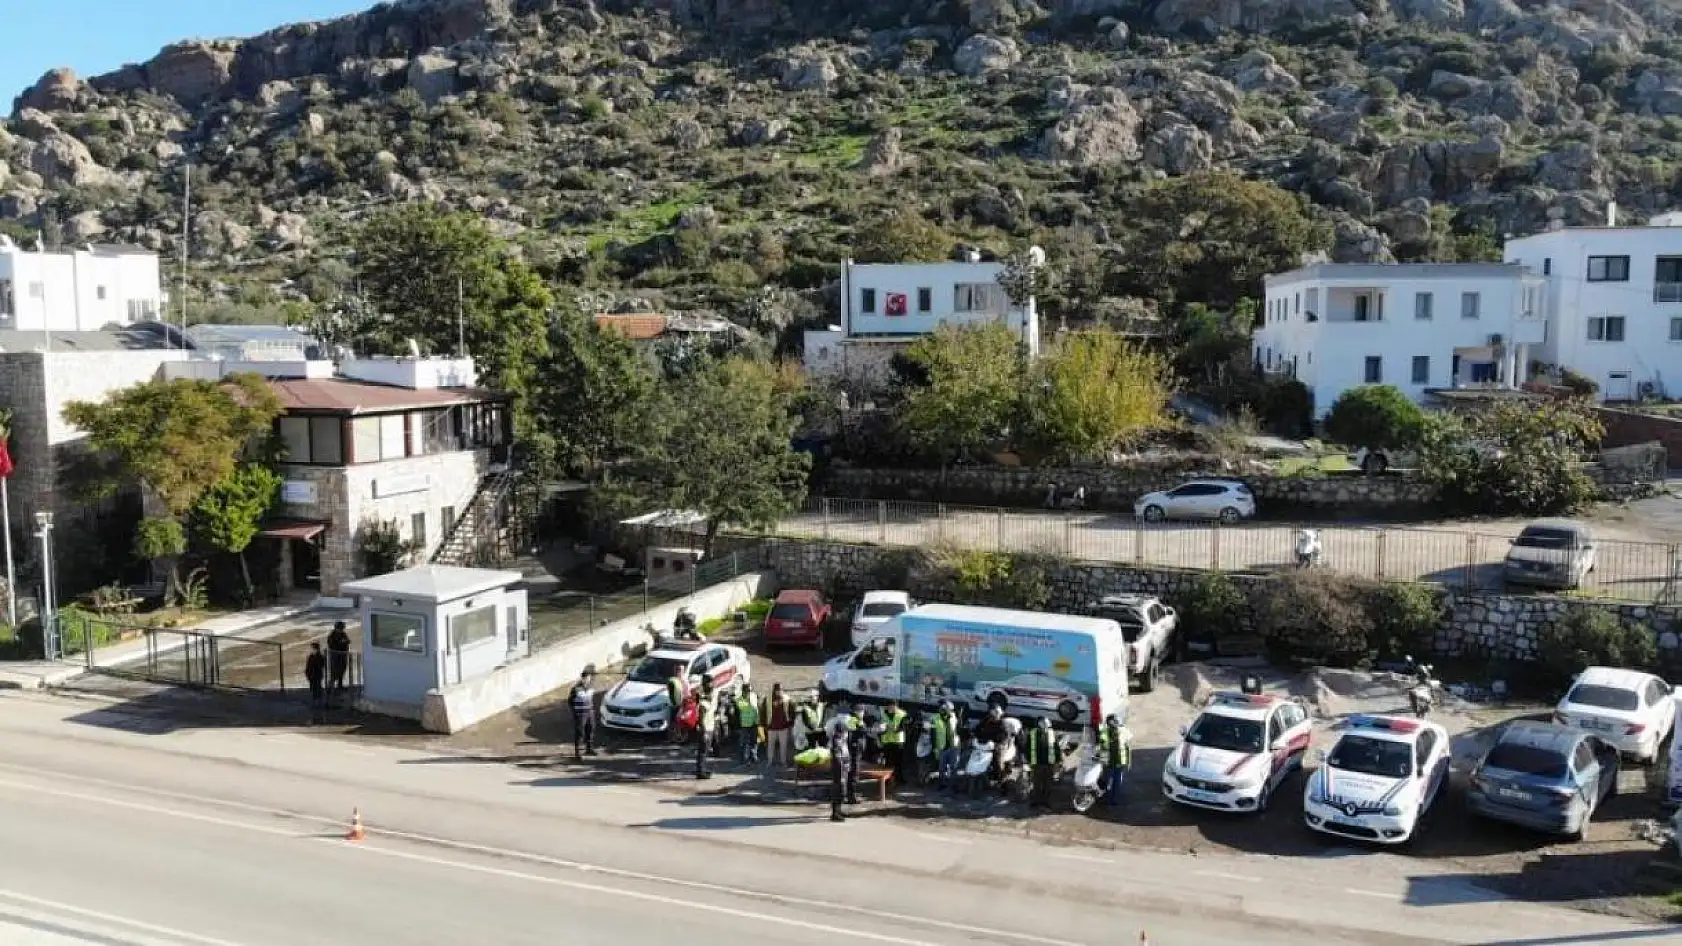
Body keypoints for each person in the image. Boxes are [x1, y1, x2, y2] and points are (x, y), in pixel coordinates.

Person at [1025, 717, 1063, 808]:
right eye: (1043, 725)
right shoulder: (1033, 733)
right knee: (1036, 783)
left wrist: (1058, 761)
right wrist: (1028, 760)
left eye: (1047, 726)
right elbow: (1027, 748)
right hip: (1036, 763)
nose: (1045, 728)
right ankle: (1035, 801)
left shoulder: (1052, 734)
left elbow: (1056, 748)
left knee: (1048, 783)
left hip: (1049, 763)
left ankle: (1045, 801)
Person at [828, 707, 858, 820]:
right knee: (839, 787)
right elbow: (838, 755)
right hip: (839, 765)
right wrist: (843, 766)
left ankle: (838, 810)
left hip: (842, 764)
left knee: (841, 788)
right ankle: (835, 812)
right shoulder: (838, 739)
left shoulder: (842, 739)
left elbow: (845, 753)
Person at [1098, 714, 1132, 808]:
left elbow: (1128, 747)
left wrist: (1129, 762)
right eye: (1114, 721)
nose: (1116, 722)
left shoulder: (1123, 730)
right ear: (1109, 722)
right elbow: (1102, 744)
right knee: (1107, 779)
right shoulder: (1105, 732)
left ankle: (1114, 800)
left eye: (1116, 721)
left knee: (1116, 781)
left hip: (1120, 762)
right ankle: (1105, 796)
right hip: (1110, 761)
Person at [762, 683, 795, 772]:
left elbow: (792, 711)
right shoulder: (768, 699)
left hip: (783, 727)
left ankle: (783, 762)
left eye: (780, 690)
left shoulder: (787, 699)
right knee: (770, 745)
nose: (778, 692)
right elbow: (763, 711)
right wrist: (763, 724)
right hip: (771, 726)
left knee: (783, 745)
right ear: (774, 690)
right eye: (777, 690)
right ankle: (770, 761)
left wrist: (790, 723)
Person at [568, 669, 598, 760]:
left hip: (589, 712)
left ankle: (589, 748)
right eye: (585, 678)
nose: (587, 679)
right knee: (580, 732)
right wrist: (575, 712)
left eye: (589, 677)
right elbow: (570, 701)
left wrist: (591, 709)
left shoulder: (591, 687)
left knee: (590, 729)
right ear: (582, 678)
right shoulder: (576, 689)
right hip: (580, 713)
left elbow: (591, 699)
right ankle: (578, 753)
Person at [932, 701, 960, 791]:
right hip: (941, 746)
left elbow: (959, 730)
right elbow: (933, 733)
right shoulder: (935, 718)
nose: (944, 710)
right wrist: (934, 747)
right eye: (942, 708)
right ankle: (941, 784)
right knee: (941, 767)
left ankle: (954, 785)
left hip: (954, 746)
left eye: (947, 709)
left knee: (954, 767)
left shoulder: (955, 717)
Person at [879, 699, 908, 787]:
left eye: (894, 706)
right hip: (887, 741)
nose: (892, 708)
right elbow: (881, 727)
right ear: (887, 707)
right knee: (888, 762)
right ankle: (887, 780)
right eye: (890, 706)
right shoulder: (883, 714)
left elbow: (904, 727)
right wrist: (882, 729)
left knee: (899, 762)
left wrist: (896, 730)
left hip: (898, 741)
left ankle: (899, 779)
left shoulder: (902, 714)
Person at [694, 679, 718, 780]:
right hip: (705, 730)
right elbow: (701, 719)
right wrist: (704, 733)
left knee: (705, 751)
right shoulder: (704, 704)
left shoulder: (707, 700)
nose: (714, 694)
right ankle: (700, 773)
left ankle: (702, 770)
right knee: (703, 752)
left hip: (709, 728)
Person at [735, 683, 762, 765]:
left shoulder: (753, 695)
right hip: (745, 724)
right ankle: (743, 758)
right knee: (743, 742)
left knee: (754, 741)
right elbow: (746, 708)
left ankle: (753, 756)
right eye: (747, 691)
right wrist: (749, 701)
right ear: (743, 691)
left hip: (754, 722)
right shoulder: (739, 700)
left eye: (750, 690)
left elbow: (757, 706)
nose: (749, 692)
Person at [325, 621, 351, 706]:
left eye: (342, 628)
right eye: (340, 628)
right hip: (335, 658)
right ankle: (330, 688)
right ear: (336, 628)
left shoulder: (343, 634)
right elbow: (332, 646)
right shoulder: (331, 636)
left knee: (342, 670)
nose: (341, 630)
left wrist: (344, 642)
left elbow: (348, 641)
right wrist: (341, 643)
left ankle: (340, 685)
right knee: (334, 672)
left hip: (343, 656)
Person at [303, 642, 327, 716]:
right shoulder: (311, 656)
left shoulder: (319, 657)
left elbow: (322, 665)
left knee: (317, 688)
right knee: (314, 688)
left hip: (317, 675)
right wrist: (307, 673)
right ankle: (316, 702)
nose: (311, 650)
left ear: (316, 649)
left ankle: (318, 703)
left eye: (312, 648)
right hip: (312, 675)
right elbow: (308, 666)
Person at [665, 668, 688, 742]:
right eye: (677, 671)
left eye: (680, 671)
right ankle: (674, 737)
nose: (678, 672)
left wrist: (682, 705)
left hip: (681, 704)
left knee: (679, 721)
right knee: (673, 721)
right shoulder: (673, 680)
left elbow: (685, 693)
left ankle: (680, 737)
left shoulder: (684, 681)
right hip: (674, 704)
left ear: (683, 672)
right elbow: (669, 690)